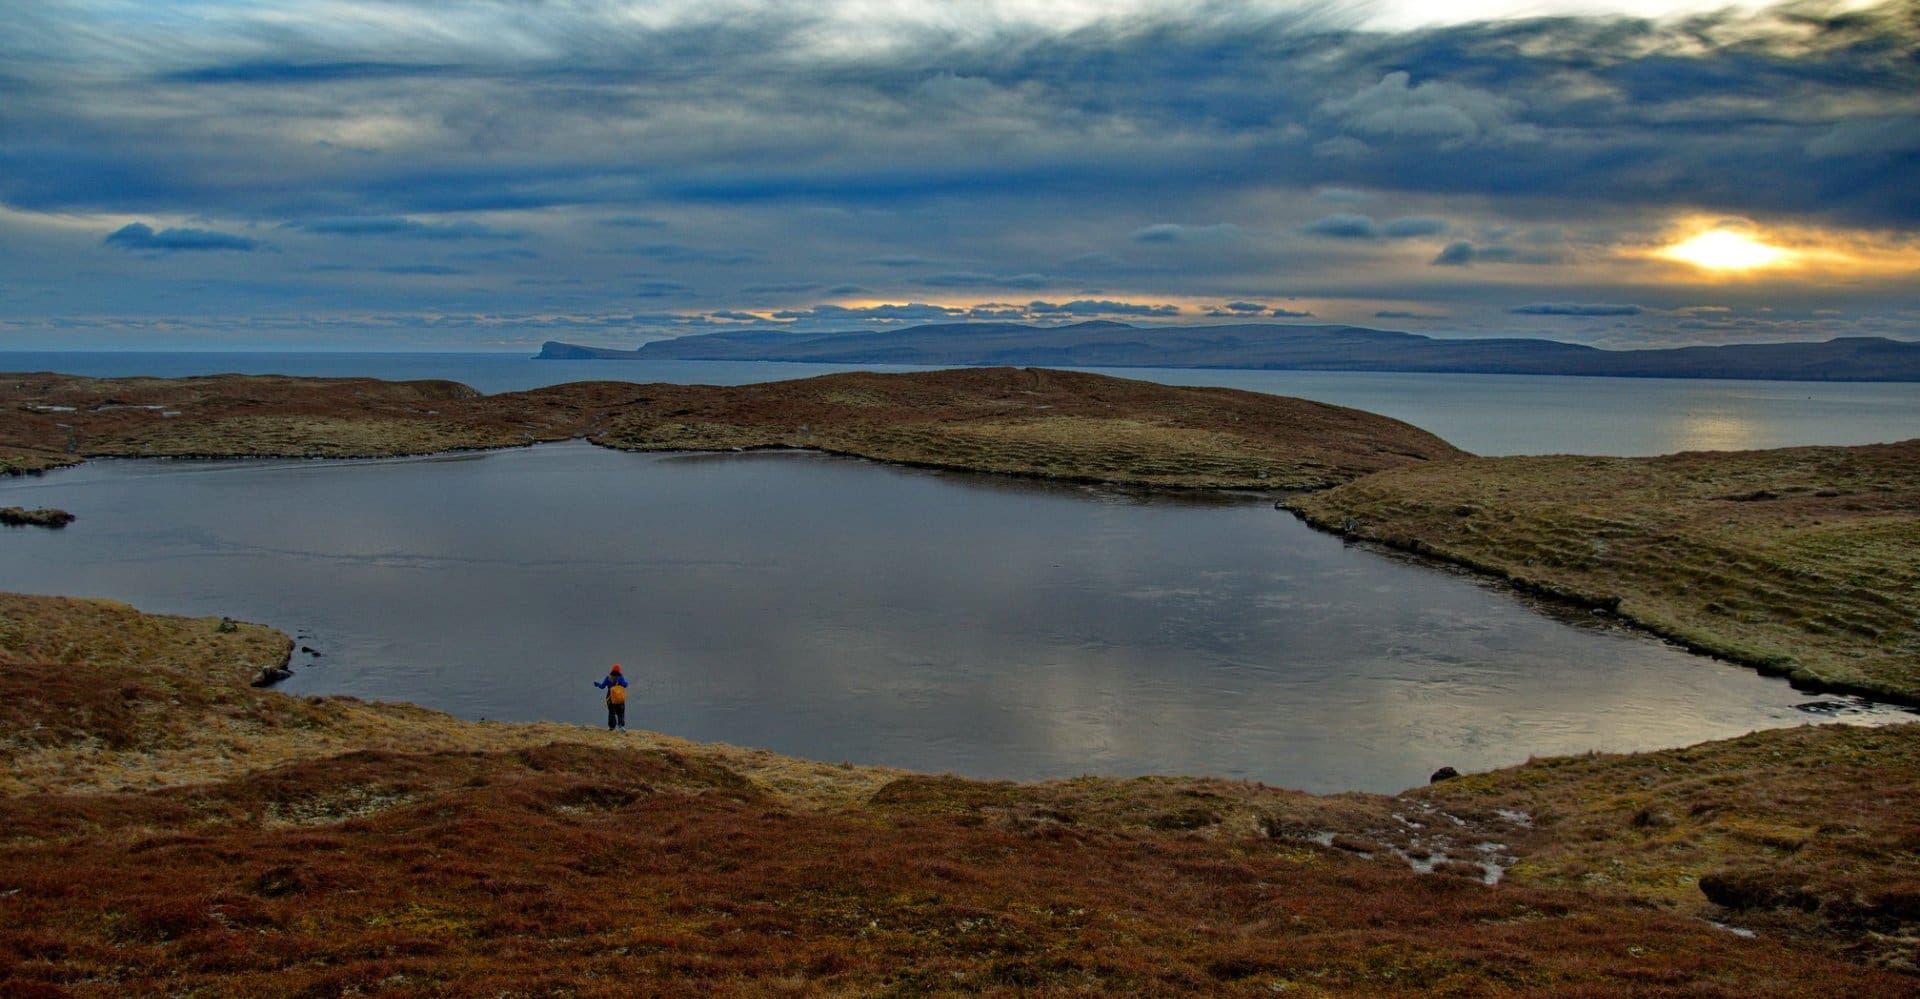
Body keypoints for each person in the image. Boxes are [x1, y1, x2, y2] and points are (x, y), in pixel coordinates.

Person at [594, 663, 629, 731]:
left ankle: (611, 727)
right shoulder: (620, 678)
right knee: (621, 712)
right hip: (619, 698)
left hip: (610, 698)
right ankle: (621, 726)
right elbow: (625, 685)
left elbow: (602, 686)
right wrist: (626, 683)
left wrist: (597, 684)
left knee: (611, 712)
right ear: (619, 671)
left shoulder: (608, 678)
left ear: (612, 670)